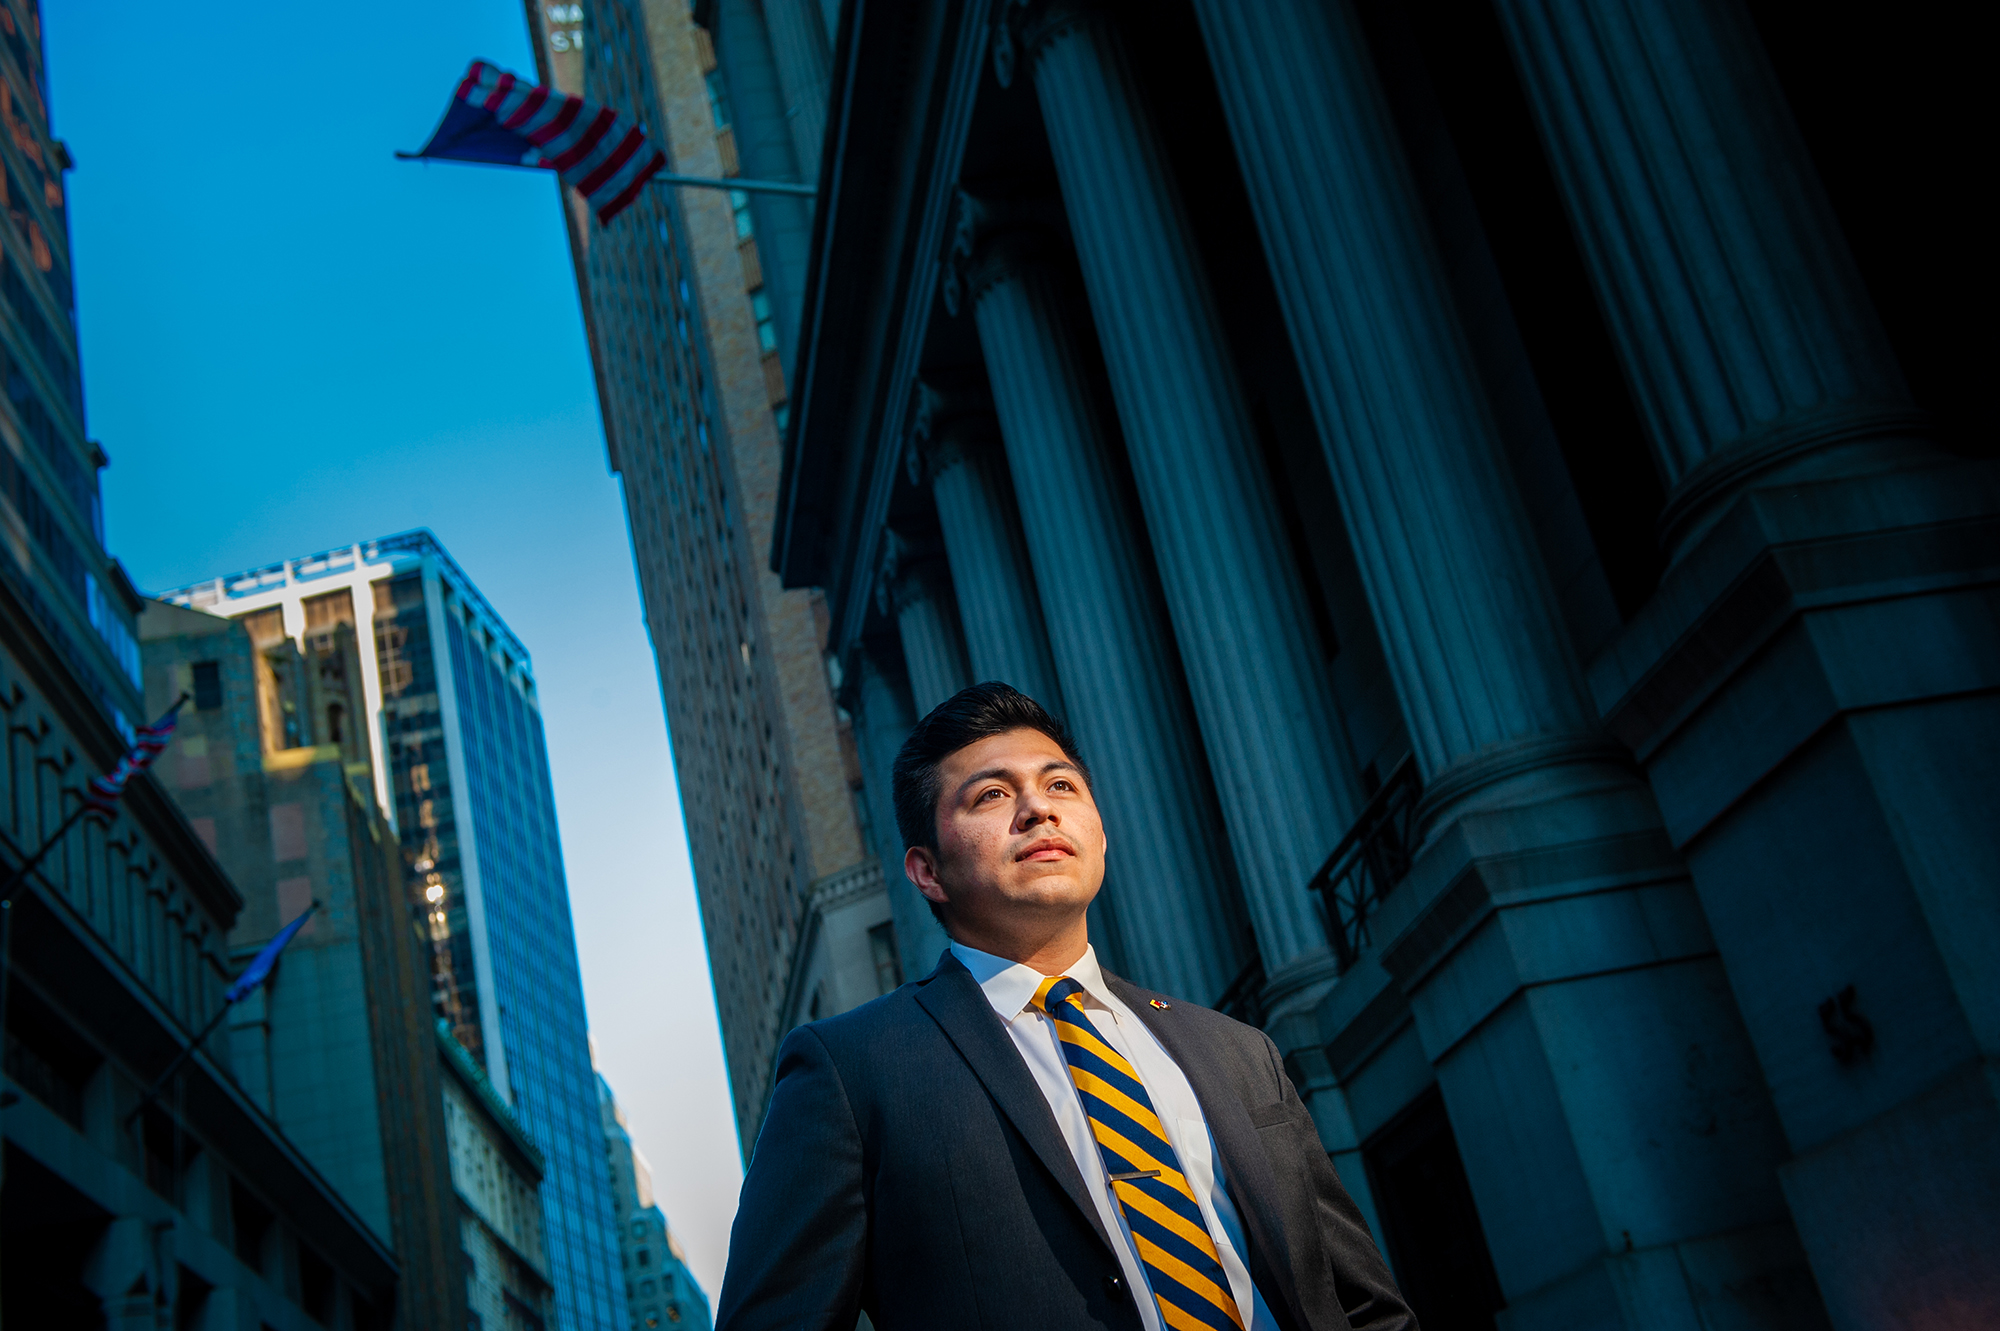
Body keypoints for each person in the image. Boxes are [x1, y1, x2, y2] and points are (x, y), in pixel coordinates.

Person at [715, 682, 1417, 1330]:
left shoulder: (1239, 1050)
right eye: (990, 795)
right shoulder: (850, 1070)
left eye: (1061, 784)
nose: (1038, 807)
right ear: (927, 870)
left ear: (1099, 832)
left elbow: (1364, 1304)